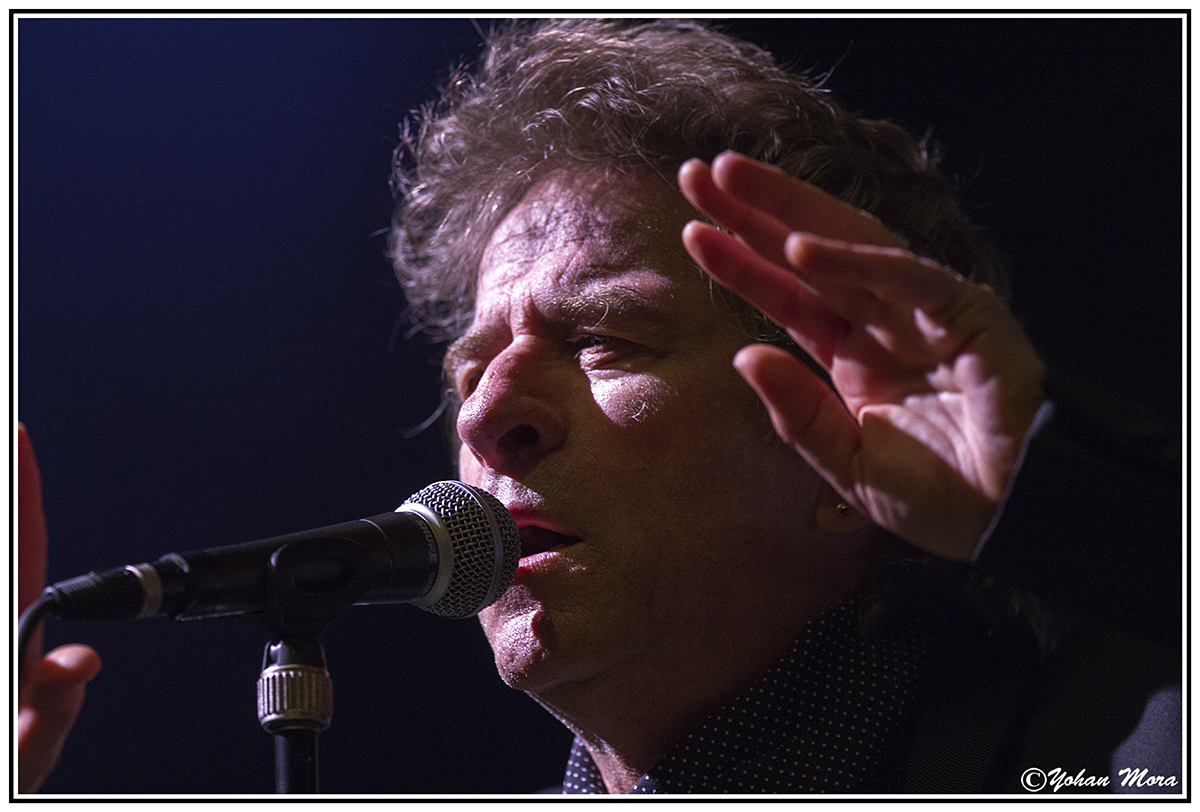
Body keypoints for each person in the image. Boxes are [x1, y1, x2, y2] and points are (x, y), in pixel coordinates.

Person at [19, 19, 1181, 794]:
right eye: (470, 369)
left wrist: (1053, 483)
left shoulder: (1123, 753)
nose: (490, 417)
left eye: (607, 340)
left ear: (845, 449)